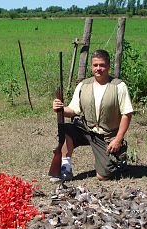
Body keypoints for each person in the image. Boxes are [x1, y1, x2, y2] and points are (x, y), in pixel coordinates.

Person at [51, 49, 133, 182]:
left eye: (102, 65)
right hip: (87, 129)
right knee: (65, 129)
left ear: (108, 66)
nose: (98, 68)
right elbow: (73, 110)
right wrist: (60, 109)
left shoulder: (119, 86)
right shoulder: (83, 85)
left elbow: (127, 114)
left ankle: (118, 159)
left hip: (107, 136)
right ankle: (65, 168)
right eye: (95, 65)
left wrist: (118, 139)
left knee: (103, 176)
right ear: (91, 66)